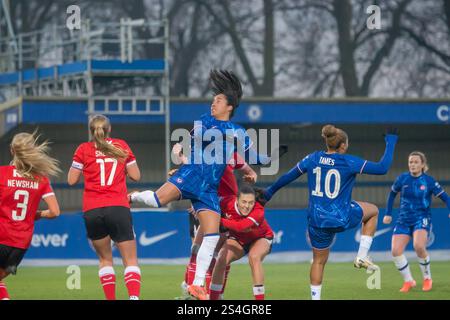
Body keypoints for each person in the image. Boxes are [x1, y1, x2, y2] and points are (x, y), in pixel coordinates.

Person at [129, 70, 271, 300]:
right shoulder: (206, 121)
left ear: (230, 107)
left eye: (218, 100)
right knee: (157, 200)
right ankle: (133, 196)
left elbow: (250, 154)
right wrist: (182, 153)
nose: (213, 103)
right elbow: (194, 140)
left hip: (208, 190)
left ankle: (196, 285)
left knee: (213, 236)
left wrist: (266, 159)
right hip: (191, 176)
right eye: (213, 100)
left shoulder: (238, 131)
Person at [258, 125, 398, 300]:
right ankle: (362, 256)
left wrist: (269, 193)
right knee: (373, 211)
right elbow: (382, 168)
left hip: (317, 220)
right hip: (342, 216)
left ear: (327, 142)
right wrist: (390, 141)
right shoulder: (349, 162)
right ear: (344, 145)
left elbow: (288, 176)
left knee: (318, 261)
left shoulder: (312, 158)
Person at [68, 114, 141, 300]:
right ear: (109, 129)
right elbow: (136, 176)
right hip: (118, 206)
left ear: (91, 131)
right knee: (130, 260)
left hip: (92, 210)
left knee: (105, 260)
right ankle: (133, 297)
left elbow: (71, 180)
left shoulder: (83, 149)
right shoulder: (121, 145)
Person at [171, 143, 258, 299]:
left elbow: (251, 173)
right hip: (209, 205)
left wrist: (179, 156)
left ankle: (212, 294)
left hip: (222, 208)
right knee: (199, 251)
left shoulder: (224, 156)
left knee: (215, 254)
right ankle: (197, 292)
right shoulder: (212, 155)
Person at [0, 132, 61, 300]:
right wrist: (36, 214)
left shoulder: (2, 174)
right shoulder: (41, 179)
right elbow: (55, 212)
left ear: (12, 150)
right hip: (20, 244)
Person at [383, 151, 450, 292]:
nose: (412, 165)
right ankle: (409, 281)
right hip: (403, 219)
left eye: (415, 162)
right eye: (410, 162)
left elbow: (445, 197)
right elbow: (391, 194)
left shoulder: (429, 181)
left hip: (422, 219)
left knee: (419, 246)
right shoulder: (402, 179)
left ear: (422, 164)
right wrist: (388, 213)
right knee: (395, 251)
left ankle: (427, 278)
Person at [209, 184, 274, 300]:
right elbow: (208, 201)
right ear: (236, 199)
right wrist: (196, 207)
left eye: (250, 202)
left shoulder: (258, 210)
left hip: (261, 238)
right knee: (221, 259)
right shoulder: (226, 202)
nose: (247, 206)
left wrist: (218, 219)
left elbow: (241, 227)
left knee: (254, 257)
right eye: (244, 202)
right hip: (239, 240)